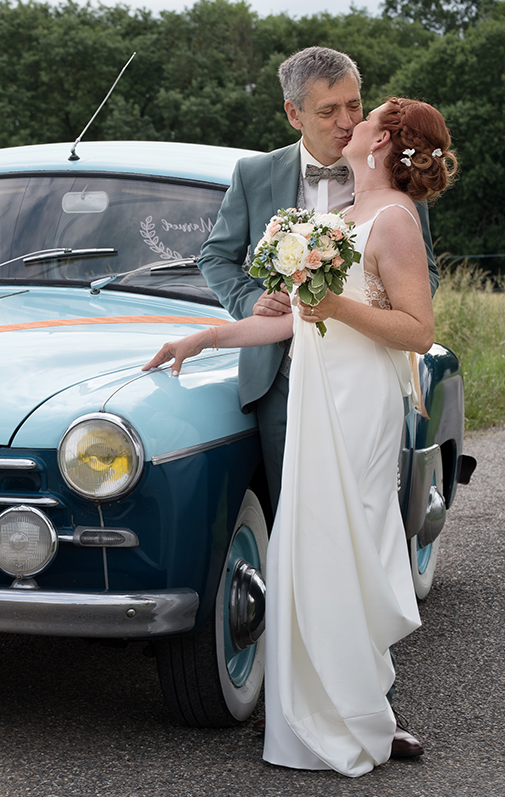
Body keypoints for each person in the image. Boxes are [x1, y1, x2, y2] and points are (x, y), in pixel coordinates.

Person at [143, 96, 459, 776]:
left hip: (360, 405)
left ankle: (358, 716)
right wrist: (204, 337)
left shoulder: (397, 221)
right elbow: (292, 323)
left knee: (347, 550)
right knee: (307, 553)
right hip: (317, 402)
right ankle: (318, 717)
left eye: (366, 119)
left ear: (382, 146)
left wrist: (337, 303)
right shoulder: (339, 220)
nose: (353, 125)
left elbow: (419, 329)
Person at [196, 46, 439, 516]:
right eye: (328, 111)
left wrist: (365, 308)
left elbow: (423, 273)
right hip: (280, 376)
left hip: (364, 372)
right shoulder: (254, 174)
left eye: (353, 105)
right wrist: (252, 303)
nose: (346, 122)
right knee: (292, 510)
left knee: (365, 506)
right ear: (295, 113)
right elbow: (216, 257)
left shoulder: (392, 174)